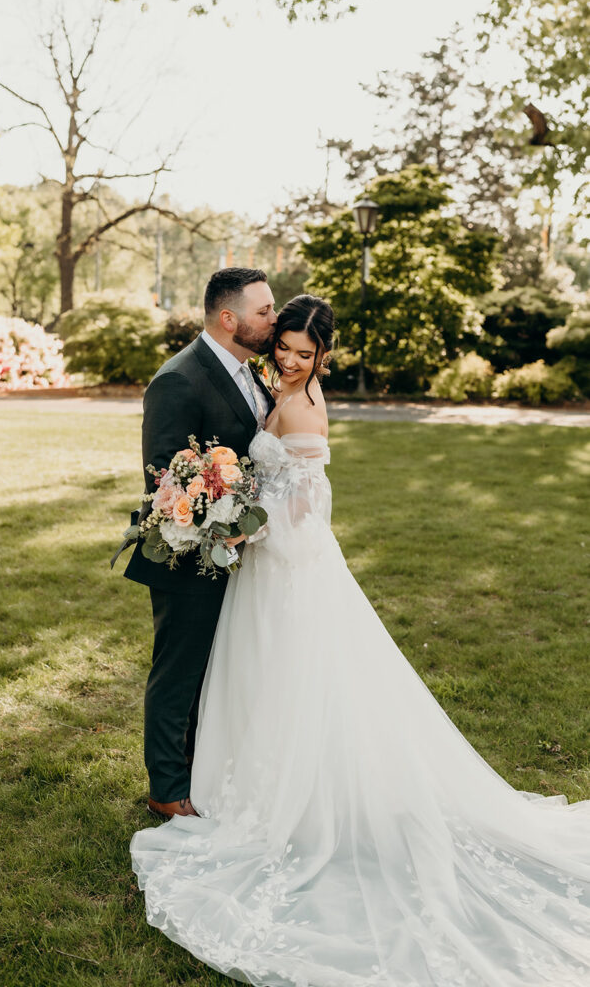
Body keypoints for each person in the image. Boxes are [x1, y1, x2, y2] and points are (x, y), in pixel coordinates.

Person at [130, 294, 590, 987]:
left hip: (283, 567)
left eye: (301, 353)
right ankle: (220, 775)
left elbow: (310, 501)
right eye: (281, 345)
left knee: (286, 676)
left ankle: (285, 793)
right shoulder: (272, 386)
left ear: (321, 357)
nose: (286, 358)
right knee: (255, 676)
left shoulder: (299, 404)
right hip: (260, 565)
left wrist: (250, 528)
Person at [124, 267, 276, 819]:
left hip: (233, 550)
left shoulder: (249, 371)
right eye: (264, 311)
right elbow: (164, 476)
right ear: (229, 318)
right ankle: (167, 789)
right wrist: (221, 511)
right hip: (187, 555)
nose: (273, 319)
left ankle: (203, 769)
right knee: (180, 672)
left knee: (217, 670)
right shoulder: (178, 379)